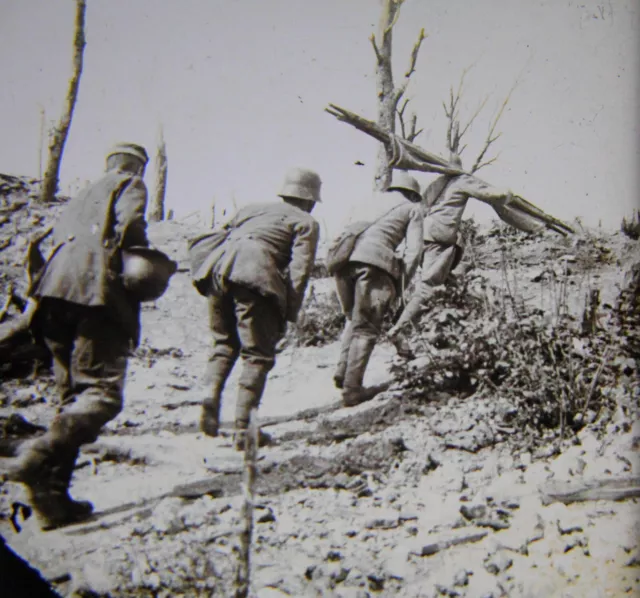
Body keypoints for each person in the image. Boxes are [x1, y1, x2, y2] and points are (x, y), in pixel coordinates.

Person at [8, 143, 152, 530]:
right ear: (135, 165)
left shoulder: (82, 195)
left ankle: (52, 500)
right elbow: (131, 227)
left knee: (71, 398)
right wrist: (143, 267)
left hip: (51, 295)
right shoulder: (131, 182)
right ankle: (37, 454)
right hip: (93, 295)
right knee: (102, 394)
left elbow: (42, 246)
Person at [192, 167, 321, 450]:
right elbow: (300, 271)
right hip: (254, 276)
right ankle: (243, 430)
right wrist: (289, 313)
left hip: (217, 271)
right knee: (258, 354)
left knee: (224, 344)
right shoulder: (306, 222)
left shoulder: (252, 209)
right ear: (310, 199)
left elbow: (218, 236)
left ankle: (210, 399)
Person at [388, 154, 515, 340]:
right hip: (438, 240)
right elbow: (490, 194)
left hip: (423, 236)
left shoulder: (437, 183)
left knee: (447, 279)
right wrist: (507, 193)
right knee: (427, 287)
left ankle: (463, 317)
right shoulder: (461, 180)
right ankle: (399, 329)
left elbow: (421, 206)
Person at [332, 172, 425, 406]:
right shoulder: (412, 208)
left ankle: (343, 373)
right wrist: (401, 283)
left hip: (342, 263)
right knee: (367, 328)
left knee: (353, 319)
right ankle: (352, 390)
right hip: (375, 264)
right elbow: (414, 252)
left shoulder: (367, 201)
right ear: (412, 194)